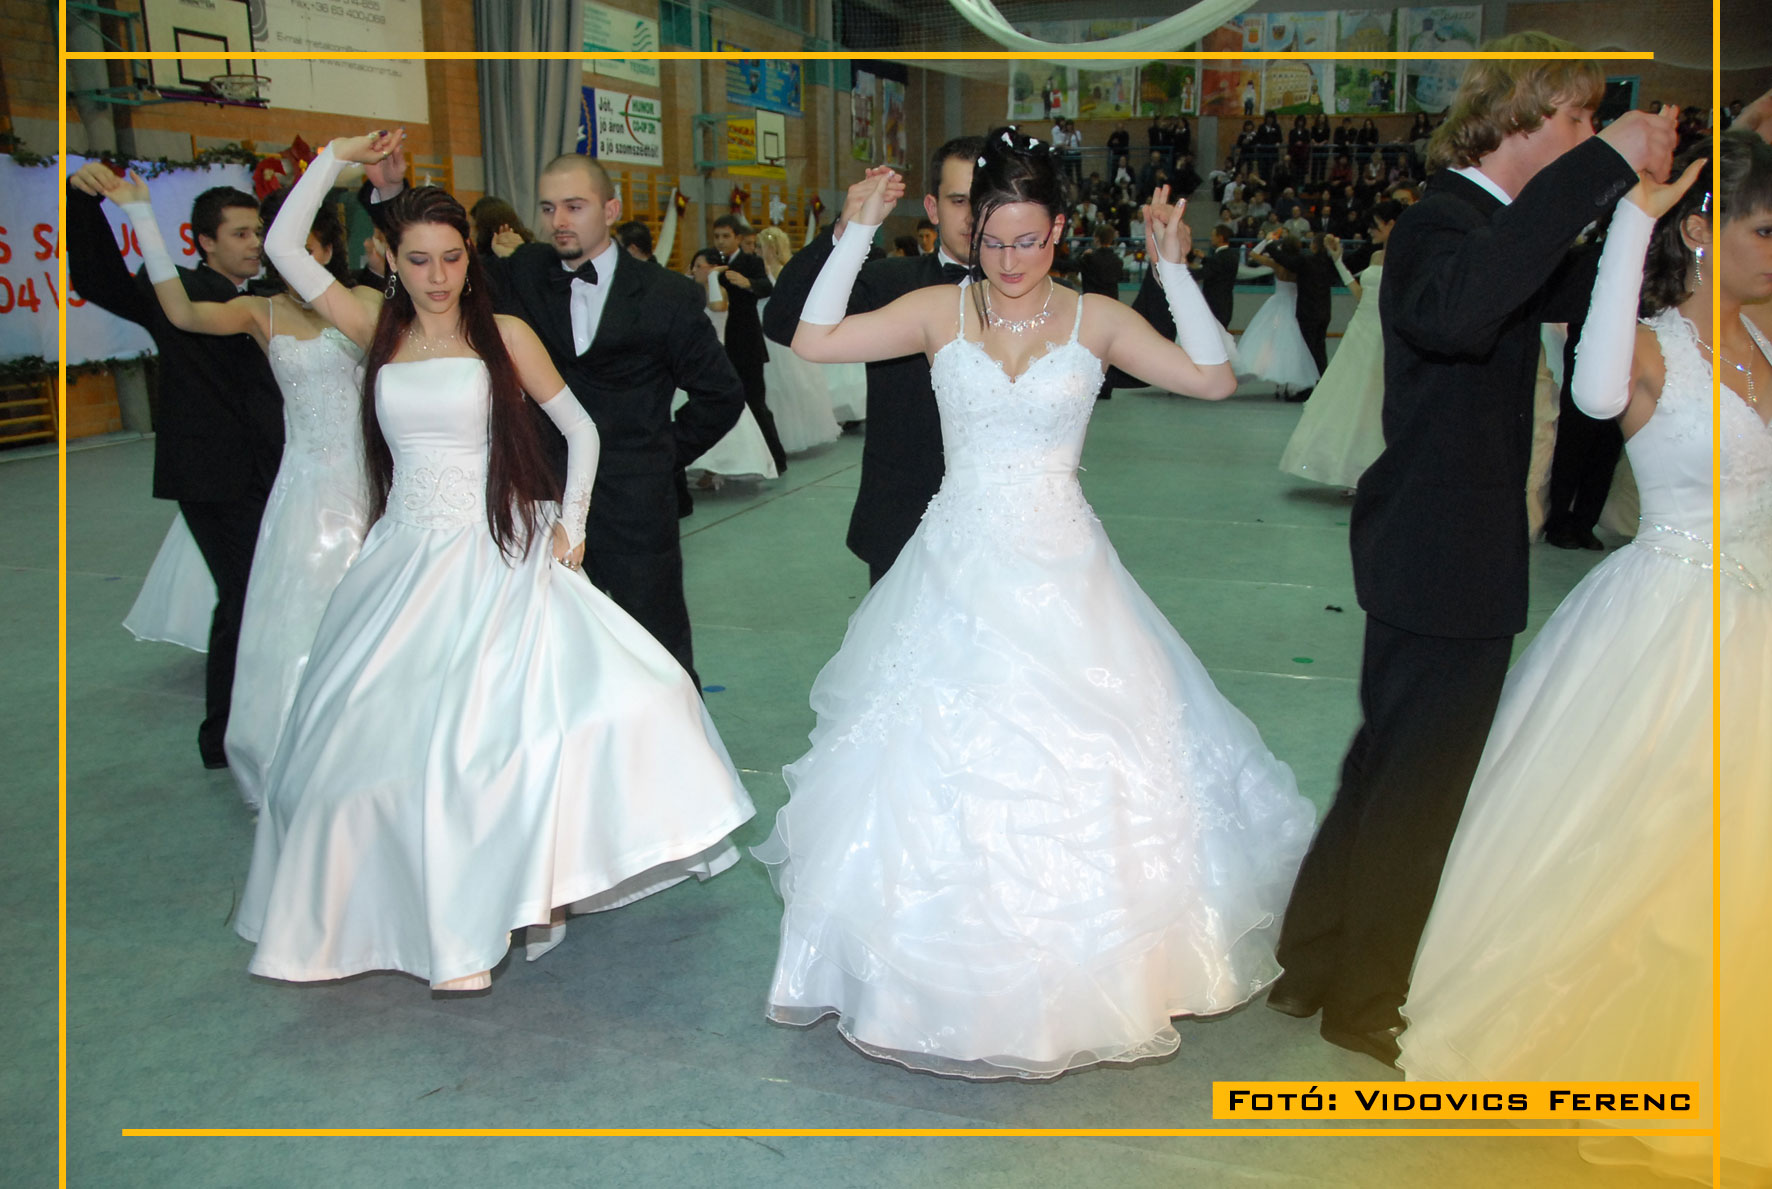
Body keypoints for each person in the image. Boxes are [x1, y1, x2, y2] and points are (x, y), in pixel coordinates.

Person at [756, 131, 1315, 1079]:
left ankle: (1083, 980)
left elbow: (1214, 377)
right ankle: (931, 980)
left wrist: (1174, 271)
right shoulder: (938, 310)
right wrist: (854, 233)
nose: (1010, 262)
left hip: (1066, 569)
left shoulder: (1096, 319)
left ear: (1058, 229)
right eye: (993, 241)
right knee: (930, 768)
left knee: (1093, 763)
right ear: (970, 231)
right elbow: (812, 338)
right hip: (953, 563)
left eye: (1028, 241)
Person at [237, 132, 756, 992]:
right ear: (391, 261)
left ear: (469, 257)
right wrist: (333, 157)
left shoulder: (504, 333)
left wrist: (572, 527)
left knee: (505, 737)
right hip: (403, 557)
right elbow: (286, 247)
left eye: (451, 257)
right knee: (377, 746)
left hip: (495, 547)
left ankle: (491, 916)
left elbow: (581, 429)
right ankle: (414, 917)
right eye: (418, 259)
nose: (438, 276)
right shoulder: (375, 329)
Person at [1264, 37, 1677, 1067]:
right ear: (1520, 117)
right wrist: (1602, 167)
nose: (1589, 135)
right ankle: (1365, 996)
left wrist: (1642, 204)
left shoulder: (1492, 231)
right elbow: (1458, 314)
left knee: (1386, 764)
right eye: (1576, 120)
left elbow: (1586, 295)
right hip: (1439, 550)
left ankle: (1312, 959)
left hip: (1448, 547)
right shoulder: (1442, 225)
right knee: (1418, 783)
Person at [1400, 134, 1768, 1186]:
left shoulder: (1766, 337)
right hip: (1674, 625)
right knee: (1650, 845)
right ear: (1705, 232)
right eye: (1763, 230)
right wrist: (1633, 221)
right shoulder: (1647, 347)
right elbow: (1596, 397)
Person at [364, 147, 746, 684]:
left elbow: (721, 395)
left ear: (611, 210)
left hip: (635, 509)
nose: (558, 220)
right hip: (533, 510)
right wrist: (389, 193)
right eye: (548, 208)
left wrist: (656, 457)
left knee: (658, 655)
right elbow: (430, 254)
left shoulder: (668, 296)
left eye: (574, 206)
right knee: (548, 668)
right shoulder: (521, 272)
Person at [99, 172, 374, 810]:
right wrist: (141, 215)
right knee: (294, 615)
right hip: (306, 485)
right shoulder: (260, 311)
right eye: (284, 252)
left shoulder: (365, 301)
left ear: (328, 250)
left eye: (309, 250)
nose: (297, 265)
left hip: (369, 478)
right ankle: (300, 746)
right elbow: (180, 312)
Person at [66, 165, 283, 771]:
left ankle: (257, 723)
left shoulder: (270, 297)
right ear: (204, 241)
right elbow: (97, 279)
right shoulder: (176, 290)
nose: (254, 243)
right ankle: (222, 737)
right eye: (240, 233)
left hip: (273, 471)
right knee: (242, 594)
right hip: (212, 475)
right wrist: (83, 205)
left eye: (258, 231)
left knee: (260, 594)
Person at [763, 136, 986, 586]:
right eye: (959, 200)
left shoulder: (1044, 300)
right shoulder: (887, 282)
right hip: (902, 514)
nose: (973, 217)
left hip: (1007, 524)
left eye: (986, 202)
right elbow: (784, 321)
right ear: (932, 207)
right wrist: (844, 231)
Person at [1279, 203, 1401, 489]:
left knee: (1373, 401)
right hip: (1360, 330)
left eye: (1376, 224)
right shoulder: (1376, 255)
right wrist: (1338, 261)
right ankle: (1350, 471)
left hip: (1384, 333)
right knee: (1347, 397)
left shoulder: (1408, 257)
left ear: (1392, 224)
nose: (1370, 230)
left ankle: (1373, 472)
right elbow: (1360, 294)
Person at [710, 214, 789, 475]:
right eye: (717, 236)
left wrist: (749, 284)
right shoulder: (712, 261)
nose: (721, 241)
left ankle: (776, 457)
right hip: (719, 342)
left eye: (726, 236)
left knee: (755, 402)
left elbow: (768, 286)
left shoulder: (751, 262)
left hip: (747, 342)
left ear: (738, 238)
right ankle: (730, 462)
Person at [754, 226, 842, 453]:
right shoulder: (756, 271)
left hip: (778, 332)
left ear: (772, 248)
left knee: (789, 383)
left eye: (761, 247)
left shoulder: (784, 270)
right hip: (760, 329)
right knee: (770, 385)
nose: (757, 251)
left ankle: (793, 433)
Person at [1260, 229, 1338, 398]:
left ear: (1314, 245)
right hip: (1324, 312)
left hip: (1308, 313)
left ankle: (1306, 388)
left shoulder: (1306, 261)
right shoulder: (1330, 263)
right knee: (1319, 349)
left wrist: (1270, 243)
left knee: (1306, 351)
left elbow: (1284, 260)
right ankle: (1321, 384)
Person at [1242, 232, 1319, 399]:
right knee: (1293, 344)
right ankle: (1291, 381)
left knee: (1271, 340)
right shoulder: (1300, 266)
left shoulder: (1276, 264)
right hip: (1295, 304)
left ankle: (1278, 381)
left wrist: (1267, 240)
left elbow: (1253, 254)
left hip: (1276, 304)